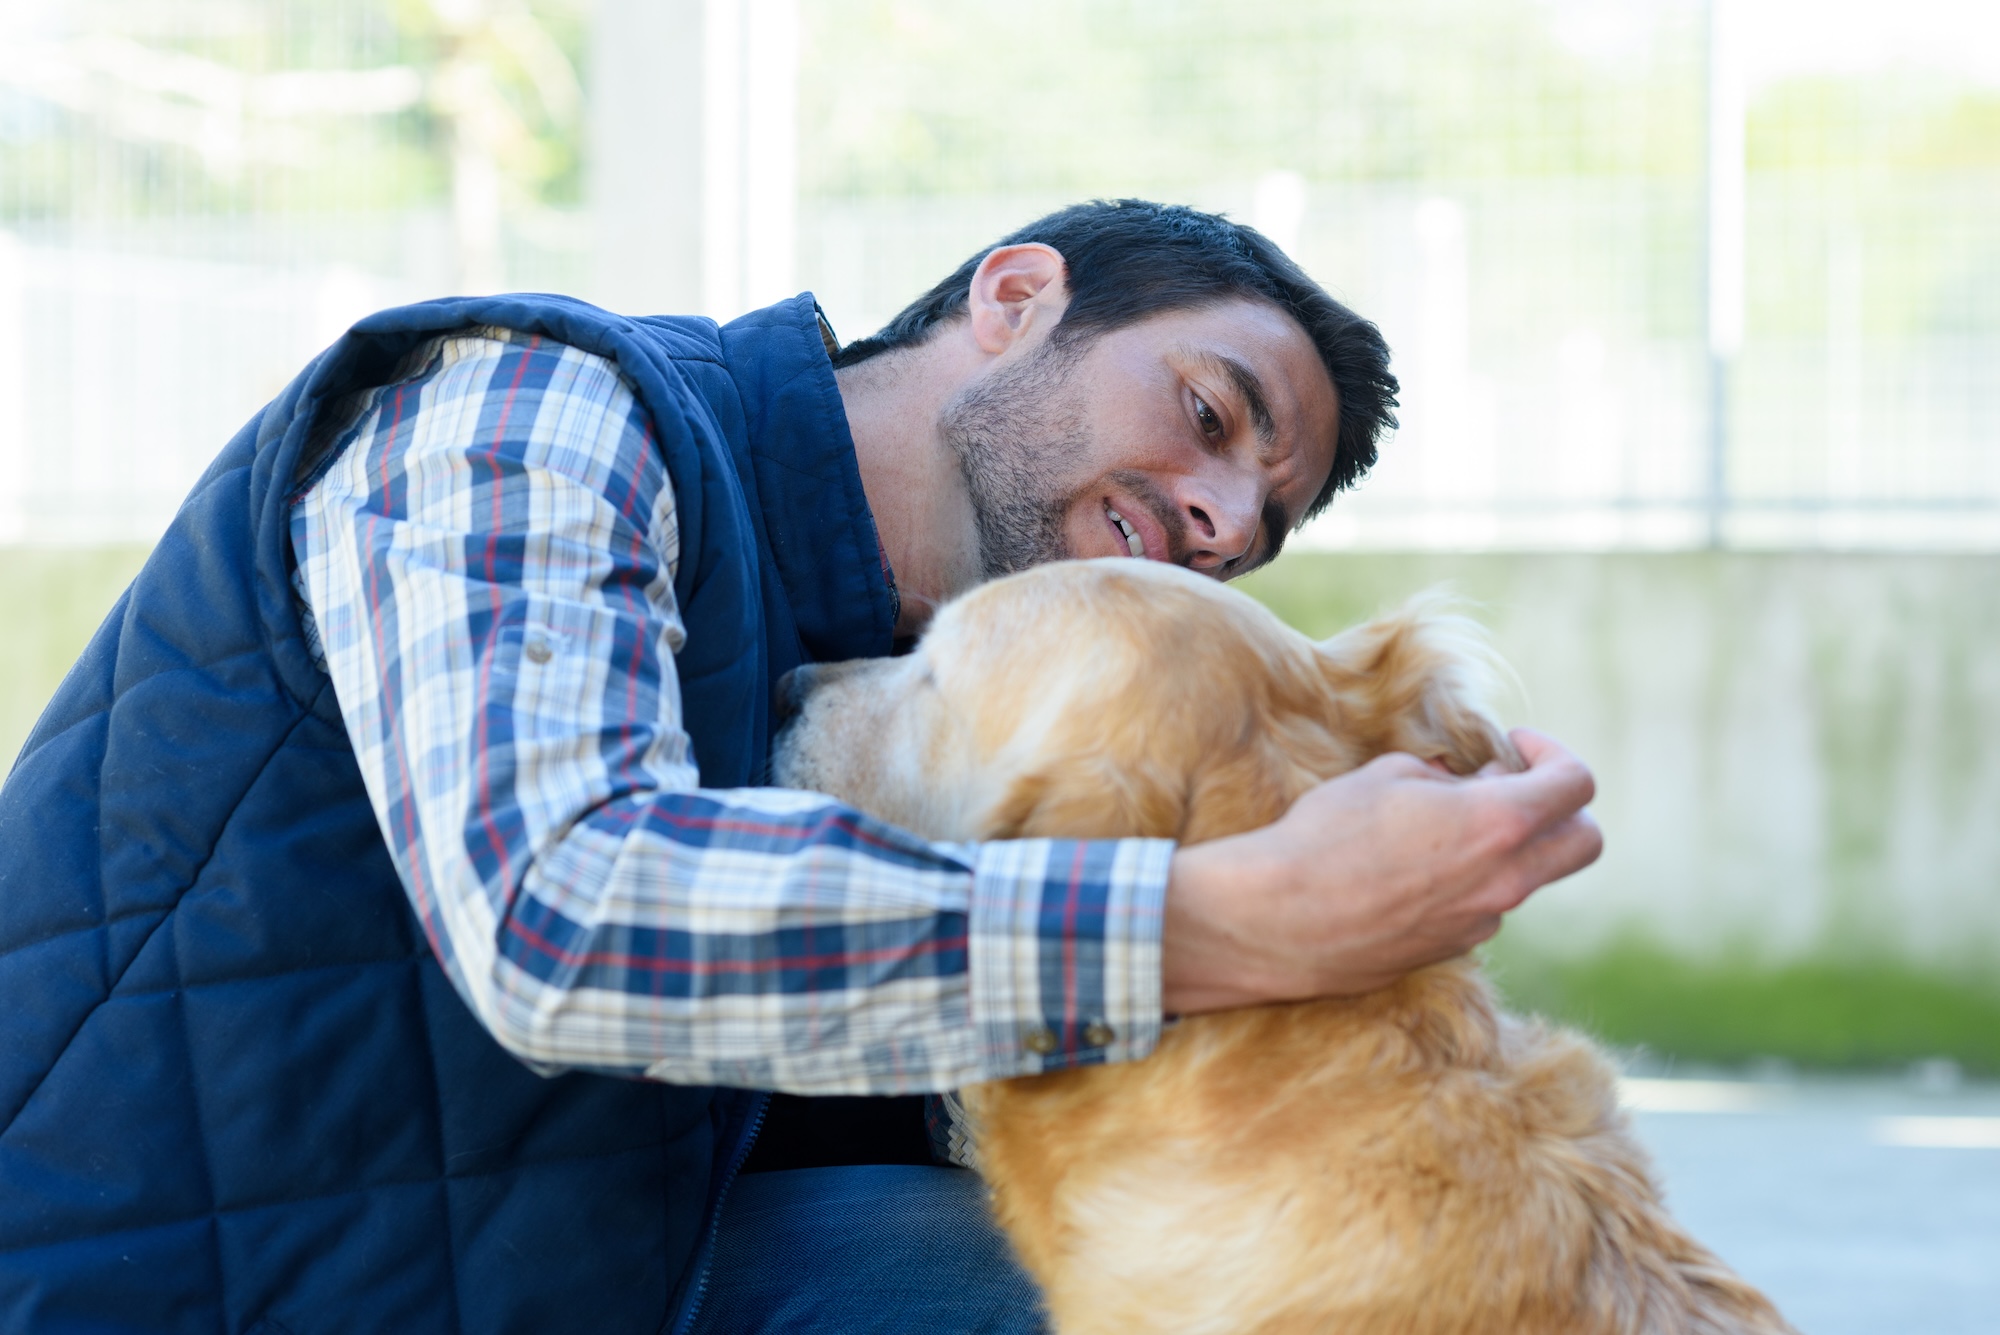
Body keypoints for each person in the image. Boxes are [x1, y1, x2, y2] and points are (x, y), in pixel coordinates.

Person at [0, 200, 1600, 1333]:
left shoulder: (933, 696)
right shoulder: (536, 411)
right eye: (1209, 411)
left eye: (1262, 519)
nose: (1224, 518)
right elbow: (567, 903)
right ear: (1017, 294)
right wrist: (1236, 915)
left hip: (569, 1265)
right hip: (151, 1279)